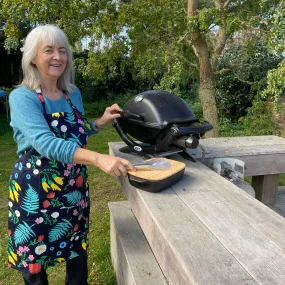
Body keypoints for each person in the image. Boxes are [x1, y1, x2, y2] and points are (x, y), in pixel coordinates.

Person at [7, 24, 135, 285]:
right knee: (34, 264)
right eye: (49, 50)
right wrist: (99, 158)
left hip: (73, 189)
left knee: (76, 252)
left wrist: (99, 122)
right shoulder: (23, 98)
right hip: (35, 191)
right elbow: (47, 143)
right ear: (33, 56)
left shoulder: (71, 93)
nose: (58, 57)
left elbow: (74, 135)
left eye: (62, 51)